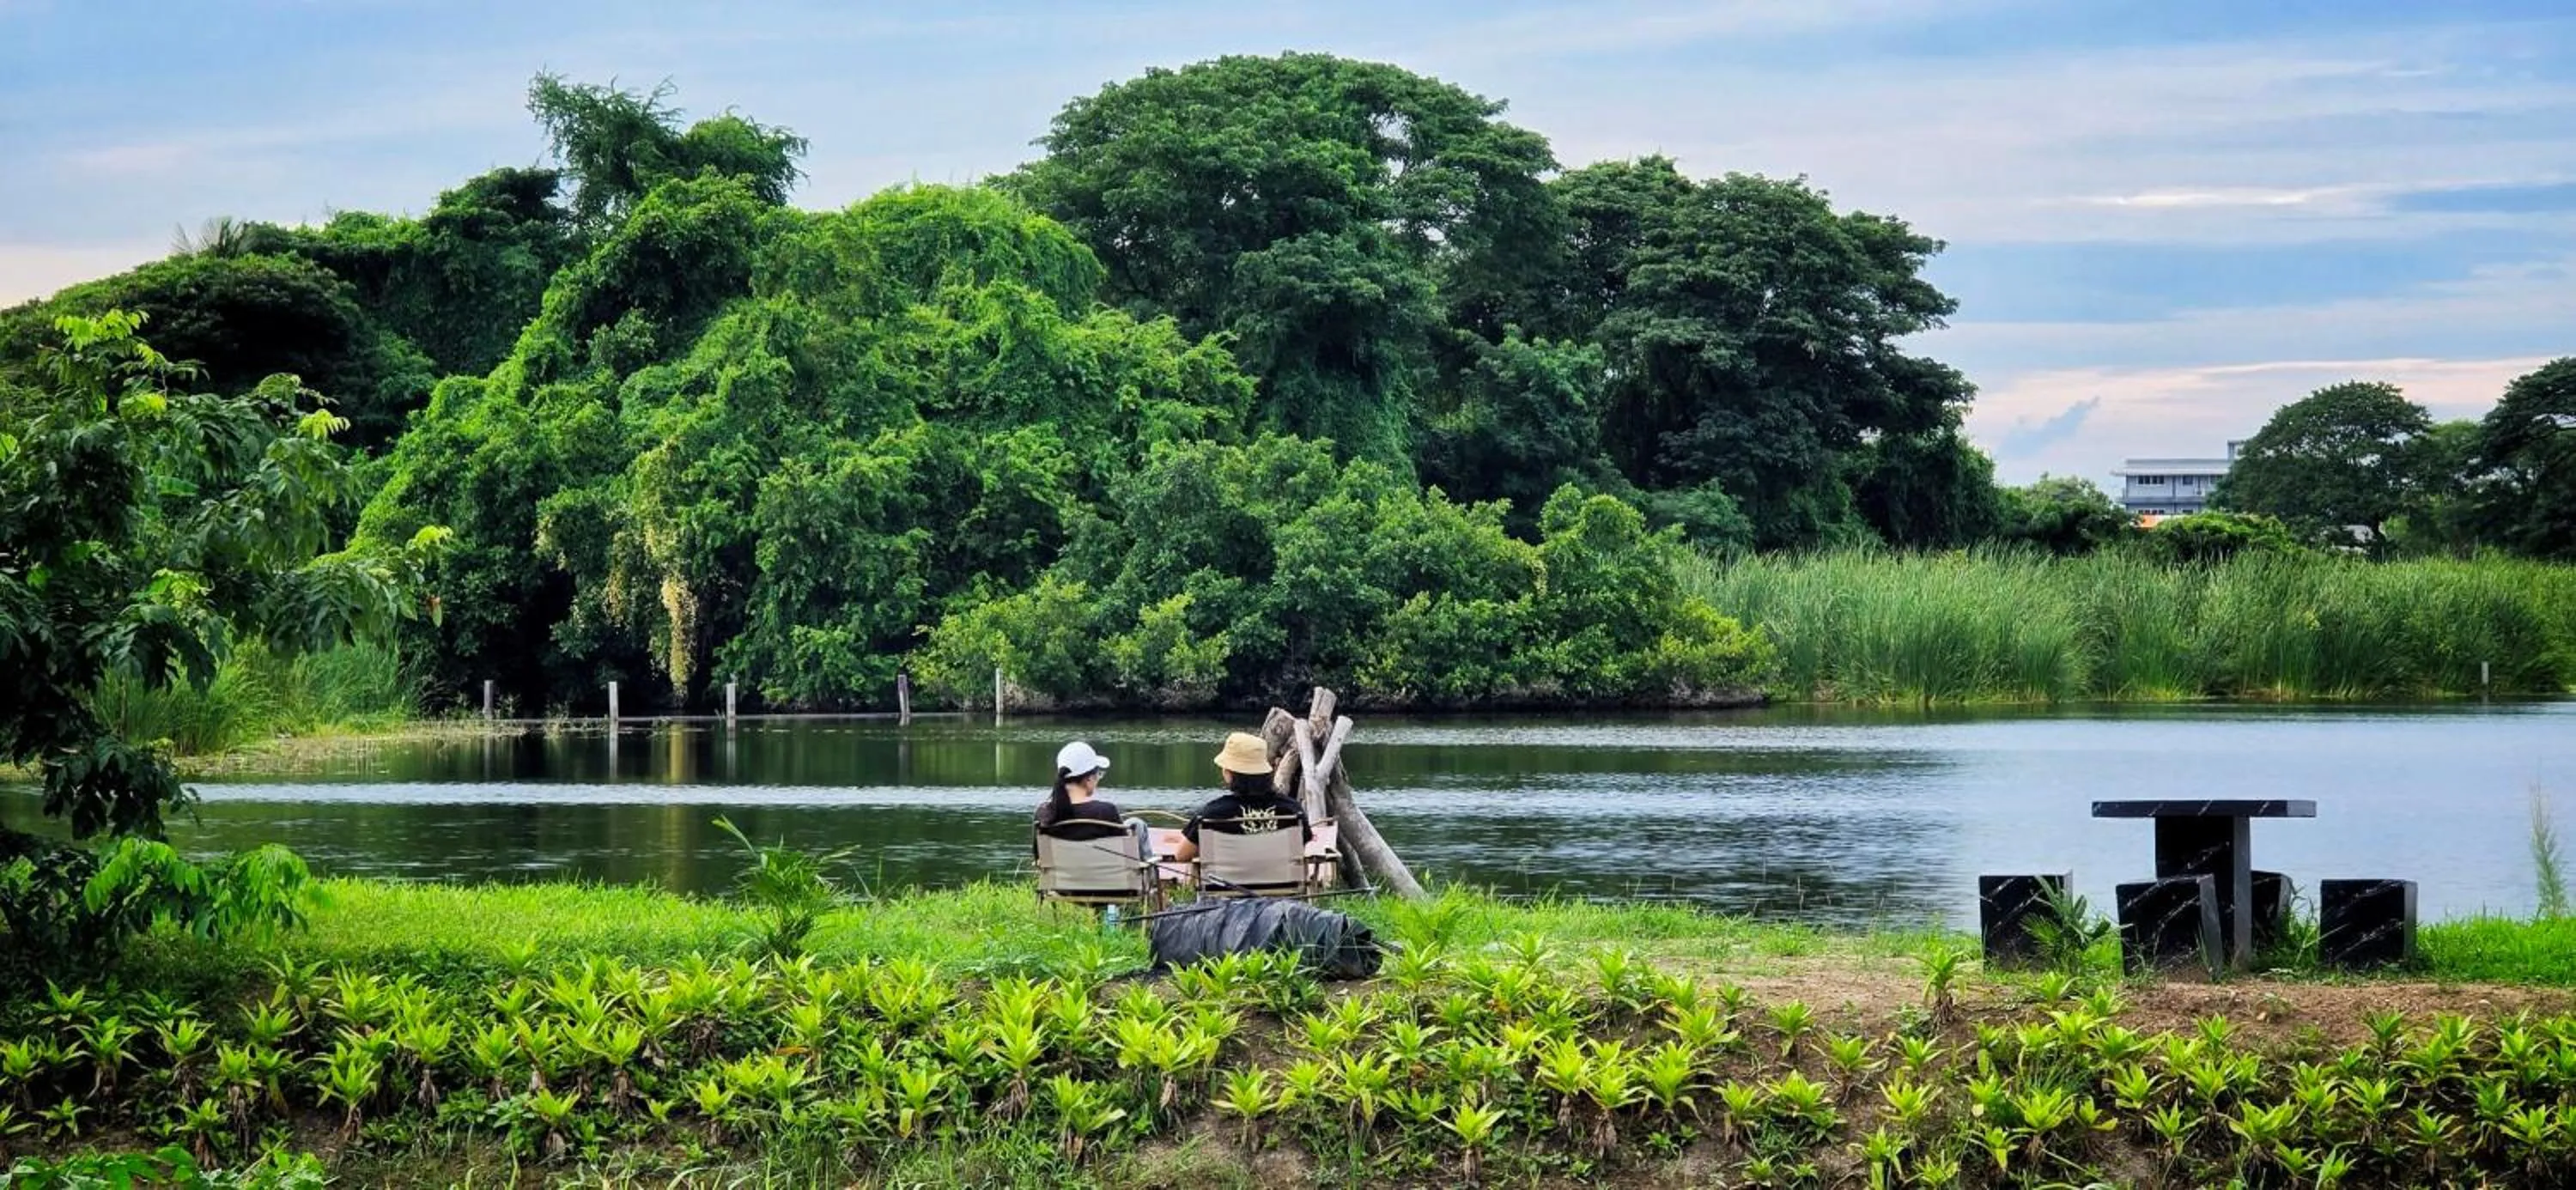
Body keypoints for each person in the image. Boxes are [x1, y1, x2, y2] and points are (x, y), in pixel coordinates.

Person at [1174, 732, 1309, 865]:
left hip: (1225, 886)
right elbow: (1301, 848)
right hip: (1285, 886)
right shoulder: (1292, 811)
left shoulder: (1211, 815)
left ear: (1228, 774)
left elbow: (1181, 855)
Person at [1034, 741, 1151, 859]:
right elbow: (1126, 857)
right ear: (1089, 778)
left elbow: (1039, 858)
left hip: (1060, 877)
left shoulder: (1043, 813)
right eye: (1098, 774)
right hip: (1105, 876)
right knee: (1136, 824)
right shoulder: (1106, 811)